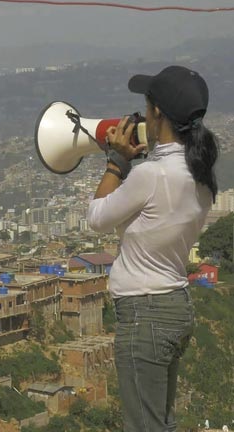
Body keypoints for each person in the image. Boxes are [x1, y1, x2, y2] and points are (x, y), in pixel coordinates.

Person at [87, 65, 219, 432]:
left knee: (143, 426)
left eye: (147, 106)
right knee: (160, 422)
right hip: (175, 305)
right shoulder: (202, 173)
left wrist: (117, 161)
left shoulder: (151, 175)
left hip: (145, 313)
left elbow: (97, 216)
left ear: (157, 113)